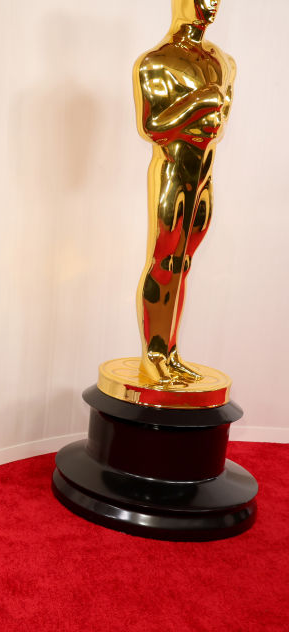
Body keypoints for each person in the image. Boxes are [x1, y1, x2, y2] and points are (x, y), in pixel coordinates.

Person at [133, 0, 234, 385]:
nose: (211, 5)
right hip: (174, 165)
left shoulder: (220, 60)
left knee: (184, 263)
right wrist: (200, 100)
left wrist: (210, 106)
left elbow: (218, 122)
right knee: (165, 260)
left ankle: (169, 352)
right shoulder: (156, 62)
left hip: (204, 171)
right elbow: (152, 125)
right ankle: (153, 355)